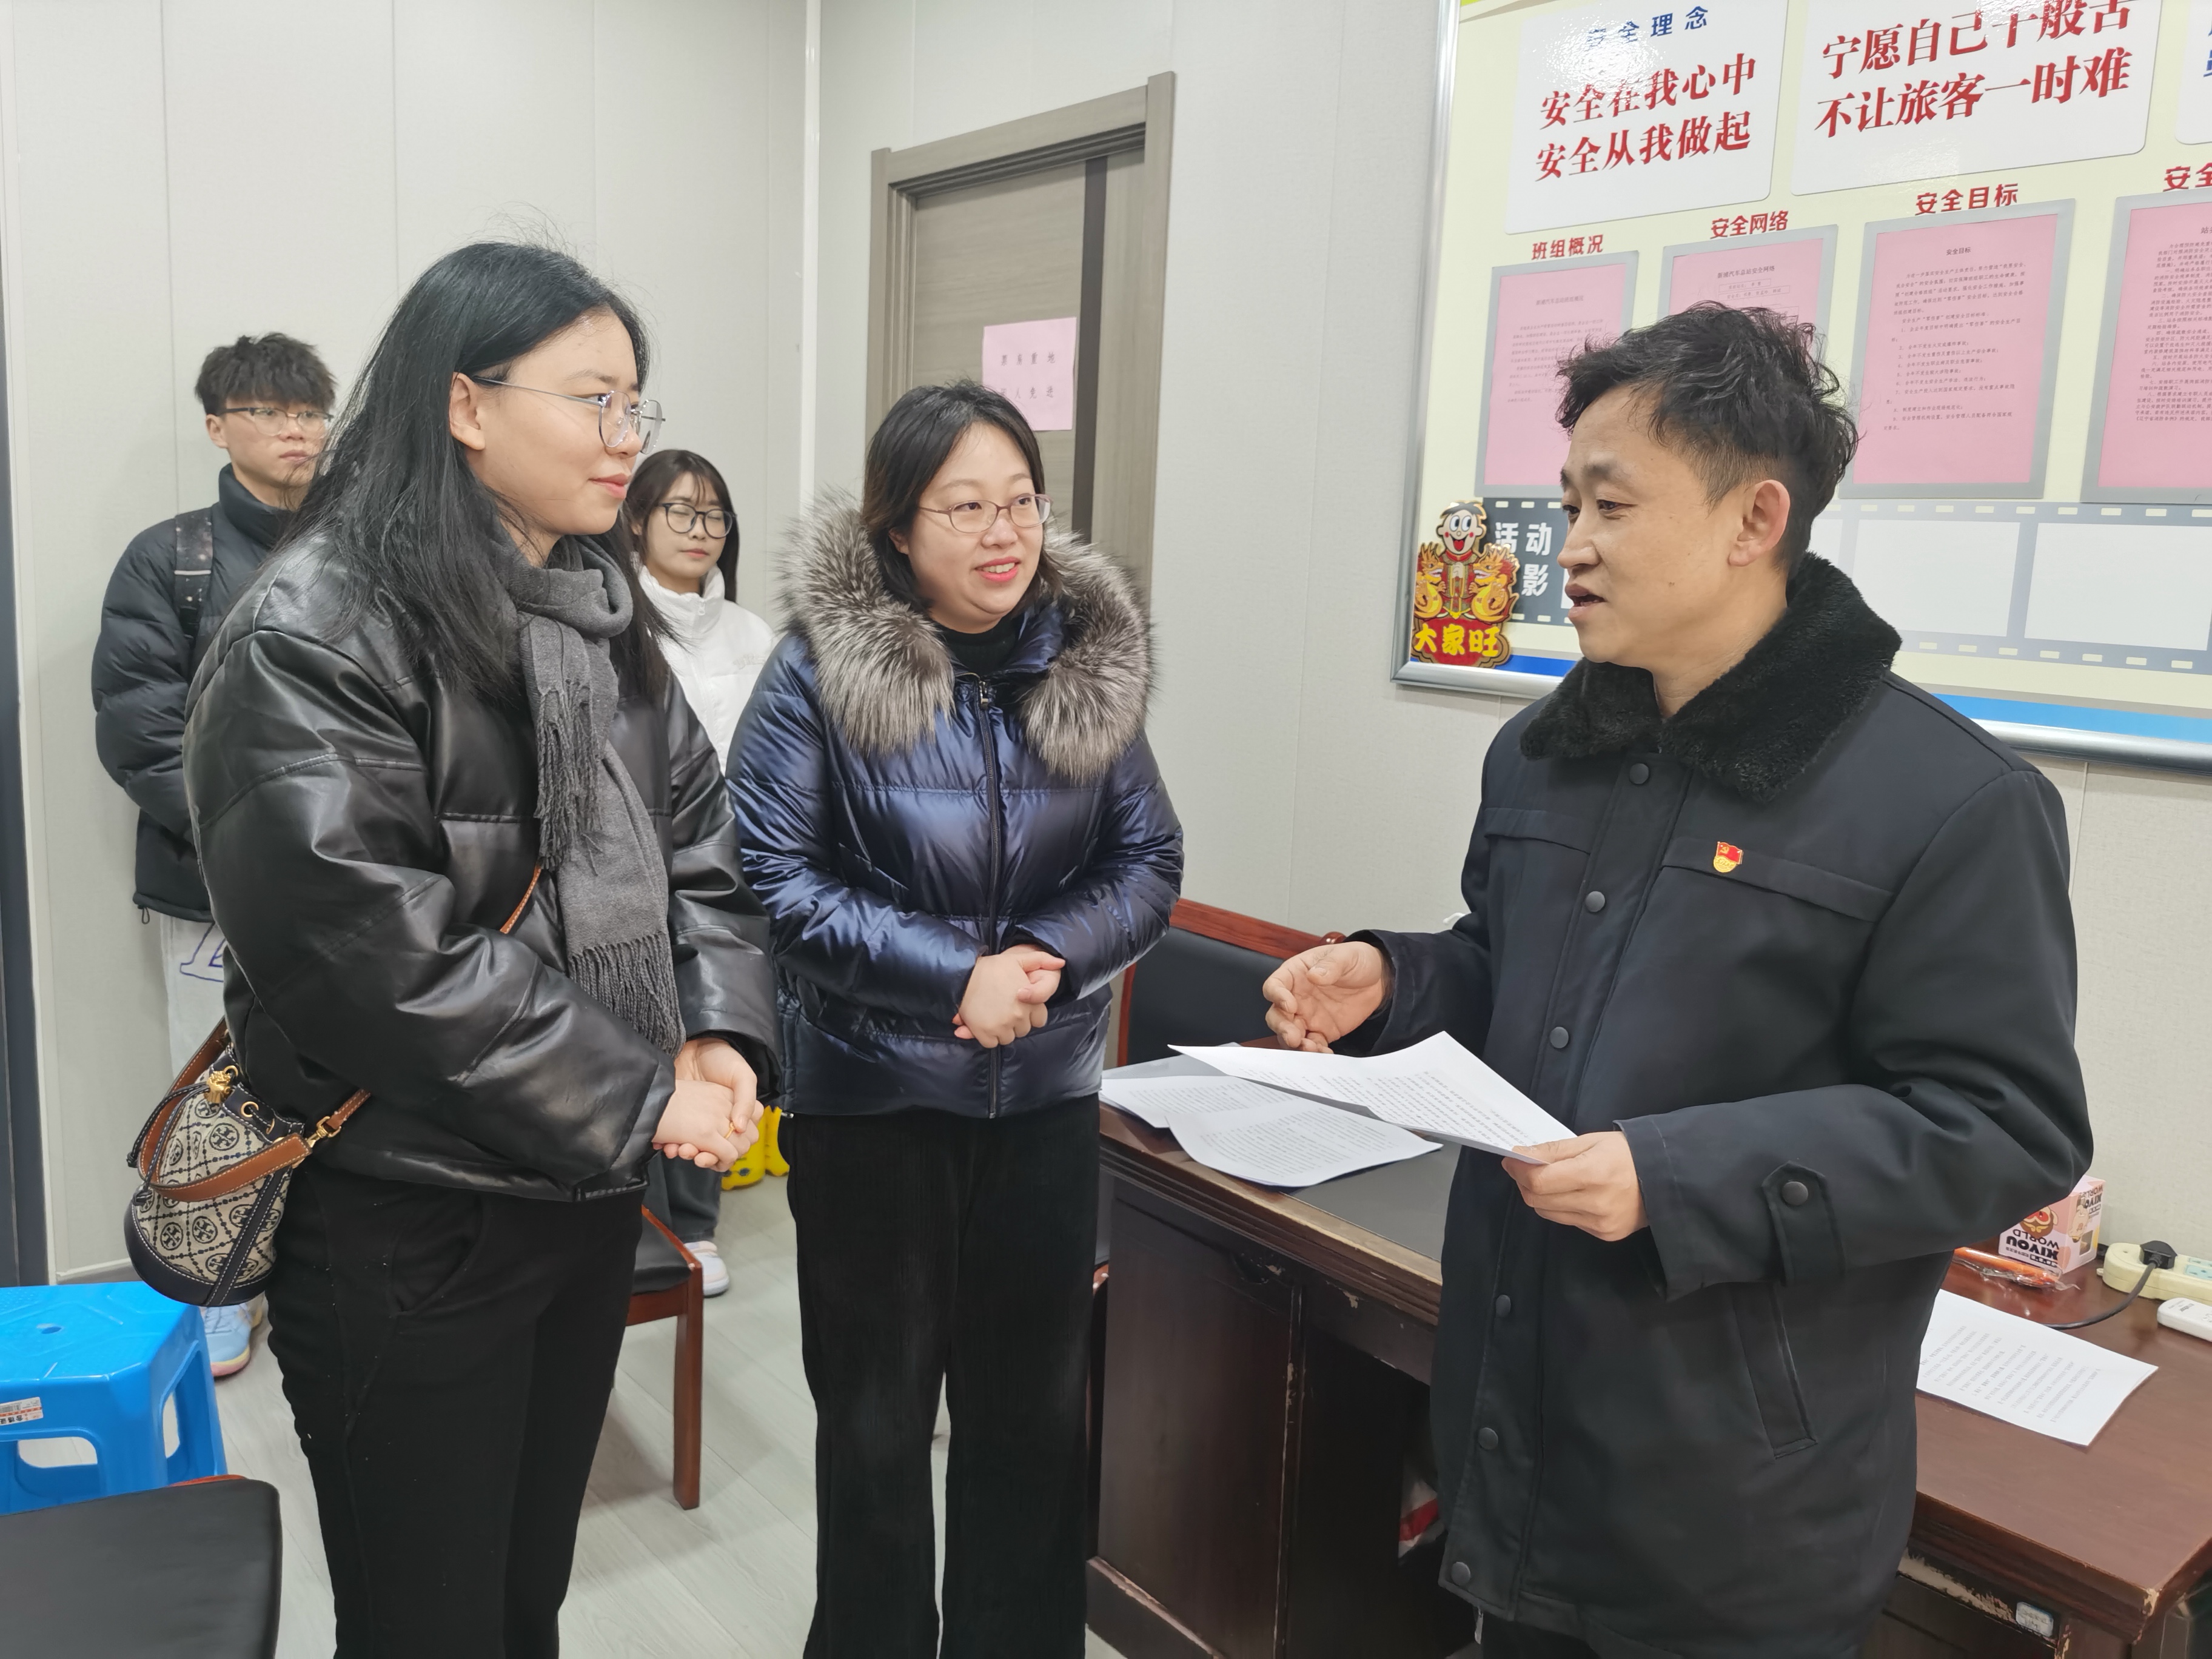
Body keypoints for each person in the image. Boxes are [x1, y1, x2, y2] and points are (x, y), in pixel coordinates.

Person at [1261, 306, 2090, 1657]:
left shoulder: (1949, 802)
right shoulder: (1545, 752)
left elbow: (2003, 1128)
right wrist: (1395, 984)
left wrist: (1675, 1177)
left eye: (1610, 505)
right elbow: (1510, 971)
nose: (1570, 546)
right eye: (1567, 504)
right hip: (1519, 1426)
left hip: (1736, 1504)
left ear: (1755, 518)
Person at [183, 241, 777, 1658]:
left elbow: (699, 836)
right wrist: (642, 1091)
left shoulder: (597, 606)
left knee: (524, 1593)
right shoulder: (315, 631)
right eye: (592, 399)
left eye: (636, 402)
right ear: (465, 404)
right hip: (410, 1215)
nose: (626, 439)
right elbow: (375, 957)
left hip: (578, 1186)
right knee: (427, 1619)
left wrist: (713, 1026)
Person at [731, 380, 1183, 1658]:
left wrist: (1045, 959)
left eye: (1023, 502)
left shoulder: (1088, 661)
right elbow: (775, 876)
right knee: (876, 1429)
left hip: (1044, 1104)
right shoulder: (818, 671)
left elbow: (1149, 858)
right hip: (875, 1109)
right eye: (966, 507)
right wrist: (953, 978)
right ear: (897, 528)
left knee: (1031, 1423)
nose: (1005, 534)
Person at [92, 331, 336, 1377]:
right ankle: (220, 1288)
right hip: (212, 886)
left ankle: (320, 1271)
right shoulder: (171, 559)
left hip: (352, 882)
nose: (295, 431)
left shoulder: (362, 545)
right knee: (221, 1084)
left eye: (310, 412)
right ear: (217, 427)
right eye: (268, 412)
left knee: (347, 1078)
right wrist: (255, 848)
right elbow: (139, 733)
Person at [617, 447, 780, 1285]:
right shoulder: (618, 626)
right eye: (679, 511)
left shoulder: (754, 634)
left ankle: (698, 1224)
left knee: (714, 1023)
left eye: (714, 514)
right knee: (643, 1030)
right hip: (636, 863)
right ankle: (643, 1216)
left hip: (733, 861)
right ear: (637, 521)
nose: (700, 529)